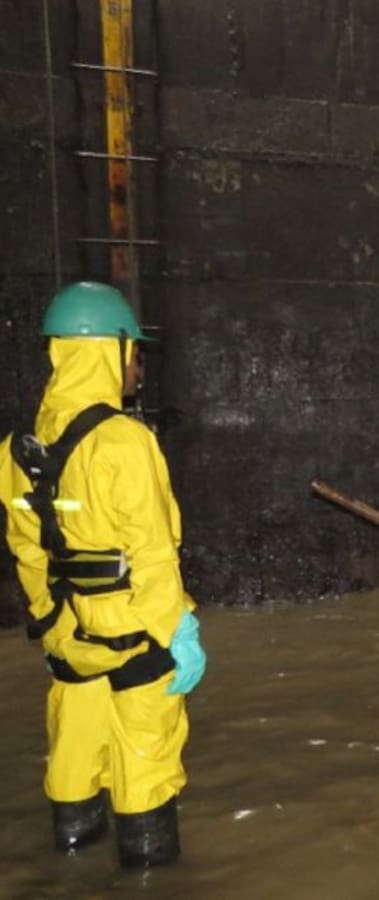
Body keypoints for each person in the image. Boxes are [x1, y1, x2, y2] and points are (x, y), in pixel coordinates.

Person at [0, 281, 205, 868]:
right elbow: (155, 549)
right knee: (145, 764)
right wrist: (177, 632)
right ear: (108, 350)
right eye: (133, 352)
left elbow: (28, 549)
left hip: (69, 640)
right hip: (133, 635)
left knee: (73, 759)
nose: (136, 366)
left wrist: (51, 619)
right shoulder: (125, 440)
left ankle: (69, 864)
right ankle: (148, 875)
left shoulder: (16, 449)